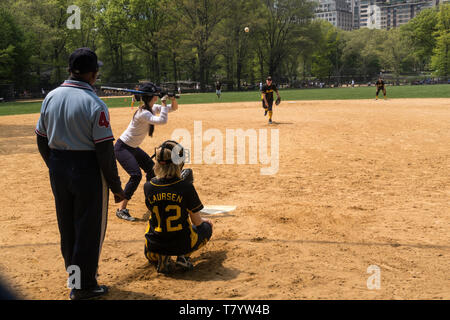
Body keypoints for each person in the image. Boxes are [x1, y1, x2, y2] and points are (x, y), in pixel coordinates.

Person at [35, 47, 126, 300]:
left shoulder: (50, 97)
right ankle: (85, 286)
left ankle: (74, 280)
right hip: (87, 169)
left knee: (68, 226)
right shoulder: (95, 104)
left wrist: (54, 165)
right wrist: (116, 186)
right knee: (88, 228)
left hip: (59, 166)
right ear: (93, 74)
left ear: (70, 70)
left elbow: (41, 139)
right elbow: (105, 153)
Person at [143, 140, 213, 274]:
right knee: (206, 227)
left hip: (152, 249)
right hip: (182, 245)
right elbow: (197, 222)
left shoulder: (148, 186)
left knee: (153, 219)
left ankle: (163, 257)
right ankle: (183, 257)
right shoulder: (185, 187)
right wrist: (205, 222)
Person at [114, 82, 179, 222]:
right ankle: (121, 209)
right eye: (156, 94)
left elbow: (172, 109)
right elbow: (162, 120)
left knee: (152, 169)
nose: (158, 96)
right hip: (123, 148)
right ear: (152, 97)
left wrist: (172, 100)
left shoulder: (151, 108)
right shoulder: (143, 113)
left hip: (133, 148)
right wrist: (163, 102)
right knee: (135, 175)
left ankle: (152, 199)